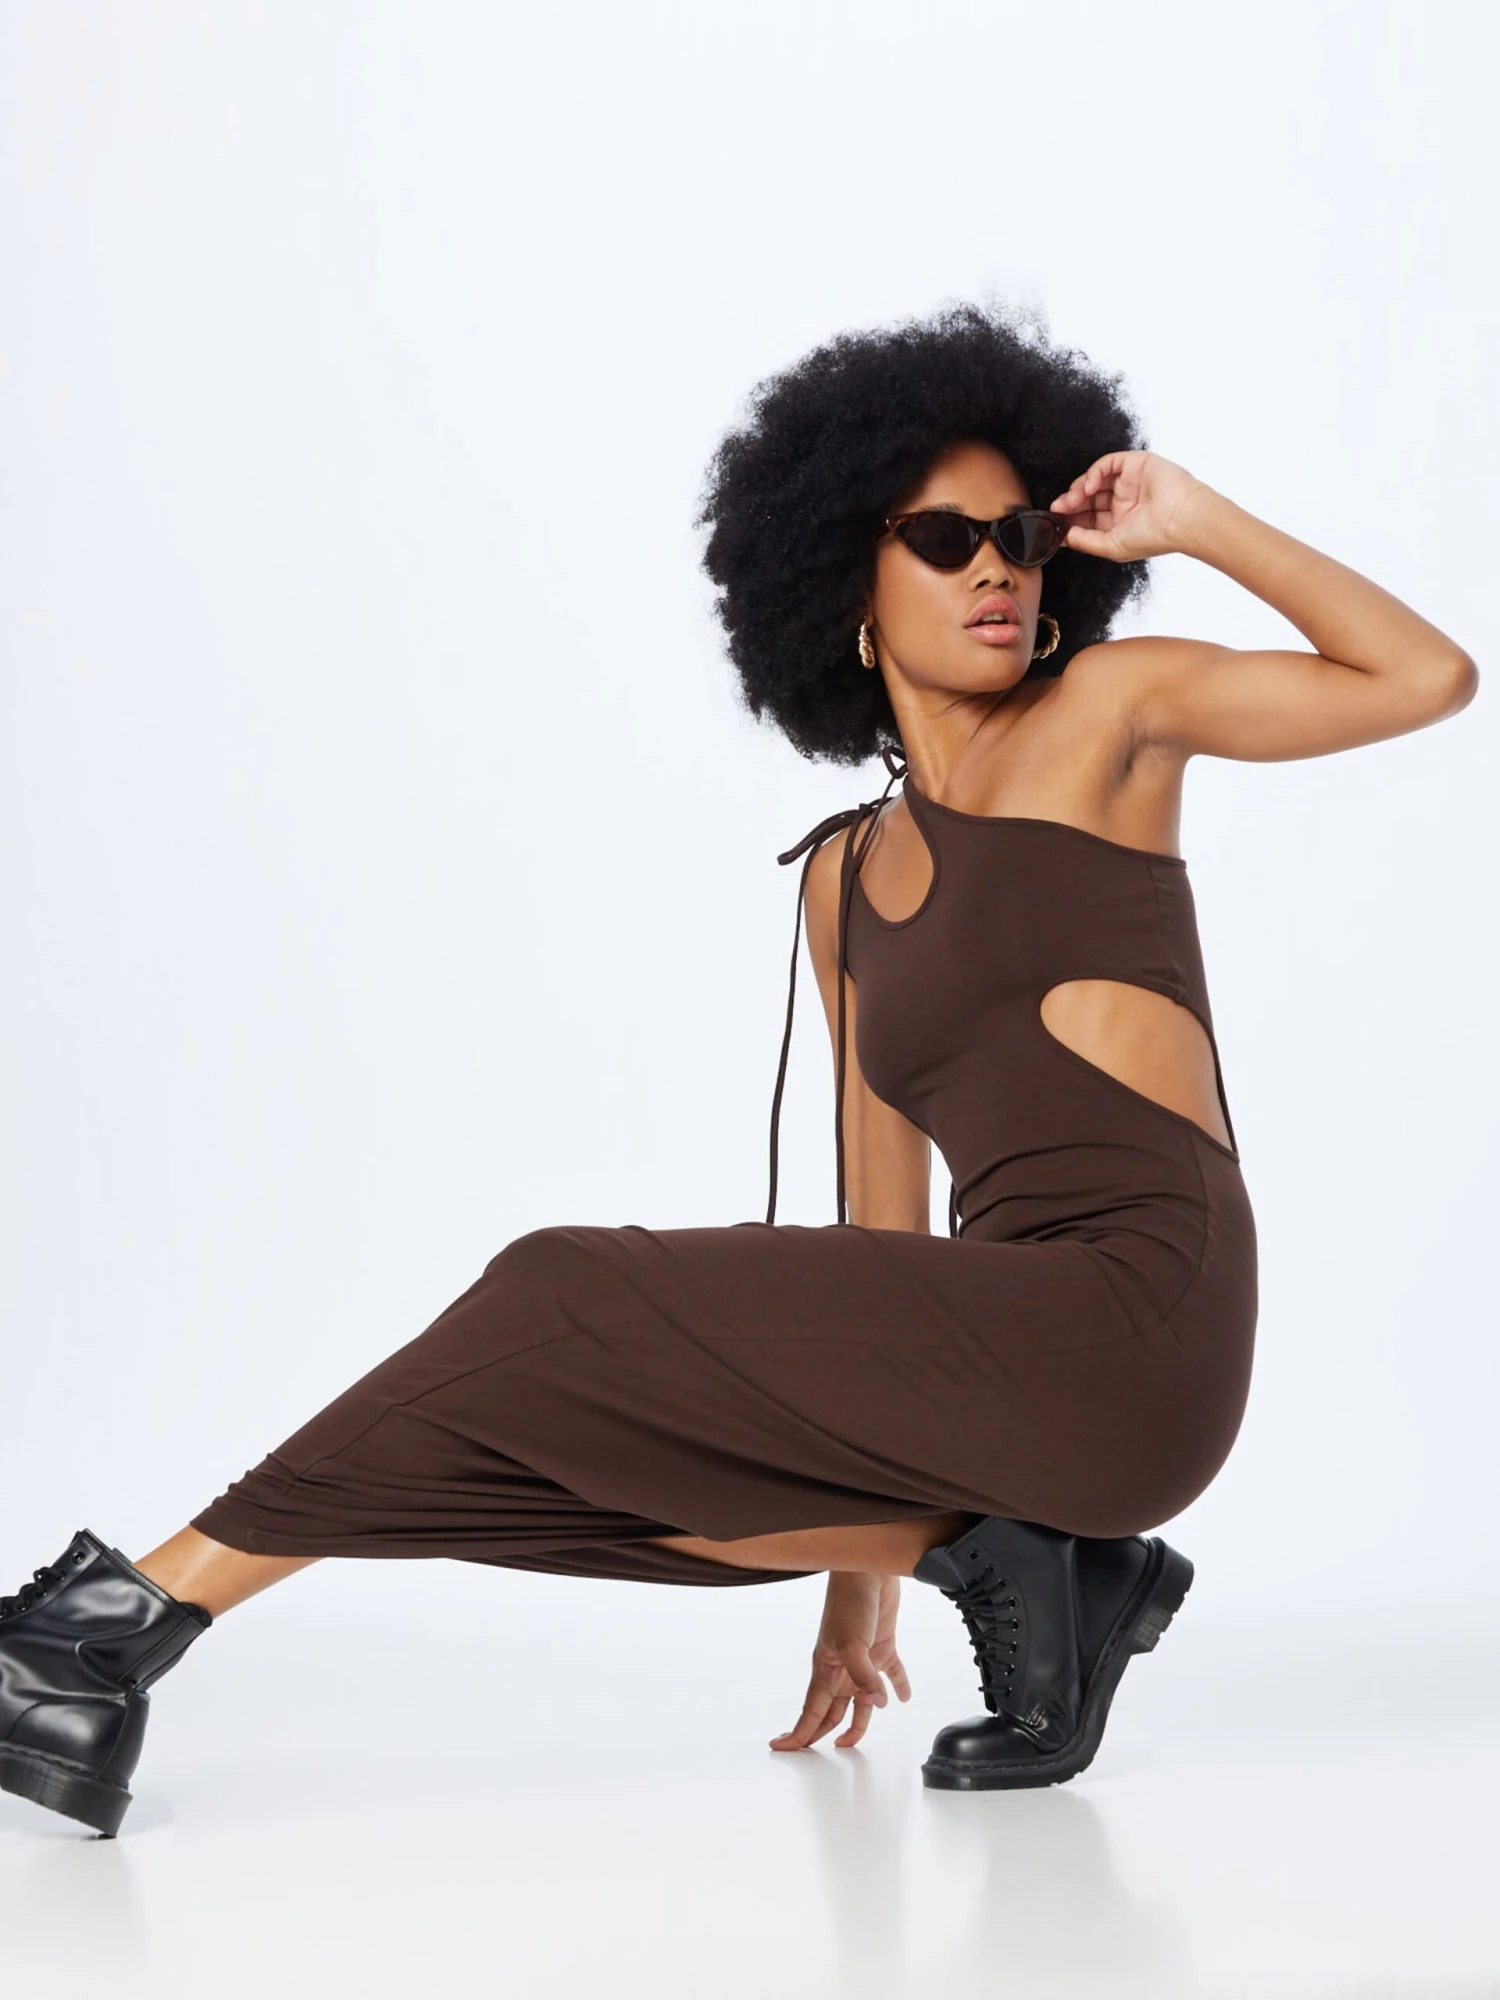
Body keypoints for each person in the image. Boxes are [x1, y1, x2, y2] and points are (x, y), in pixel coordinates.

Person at [1, 302, 1477, 1837]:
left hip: (1139, 1330)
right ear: (847, 581)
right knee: (570, 1449)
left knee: (558, 1287)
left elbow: (1427, 676)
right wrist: (856, 1591)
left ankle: (102, 1632)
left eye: (1023, 538)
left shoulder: (1113, 715)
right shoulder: (843, 881)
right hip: (996, 1370)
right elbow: (881, 1227)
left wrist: (1192, 516)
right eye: (945, 538)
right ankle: (1026, 1566)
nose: (996, 567)